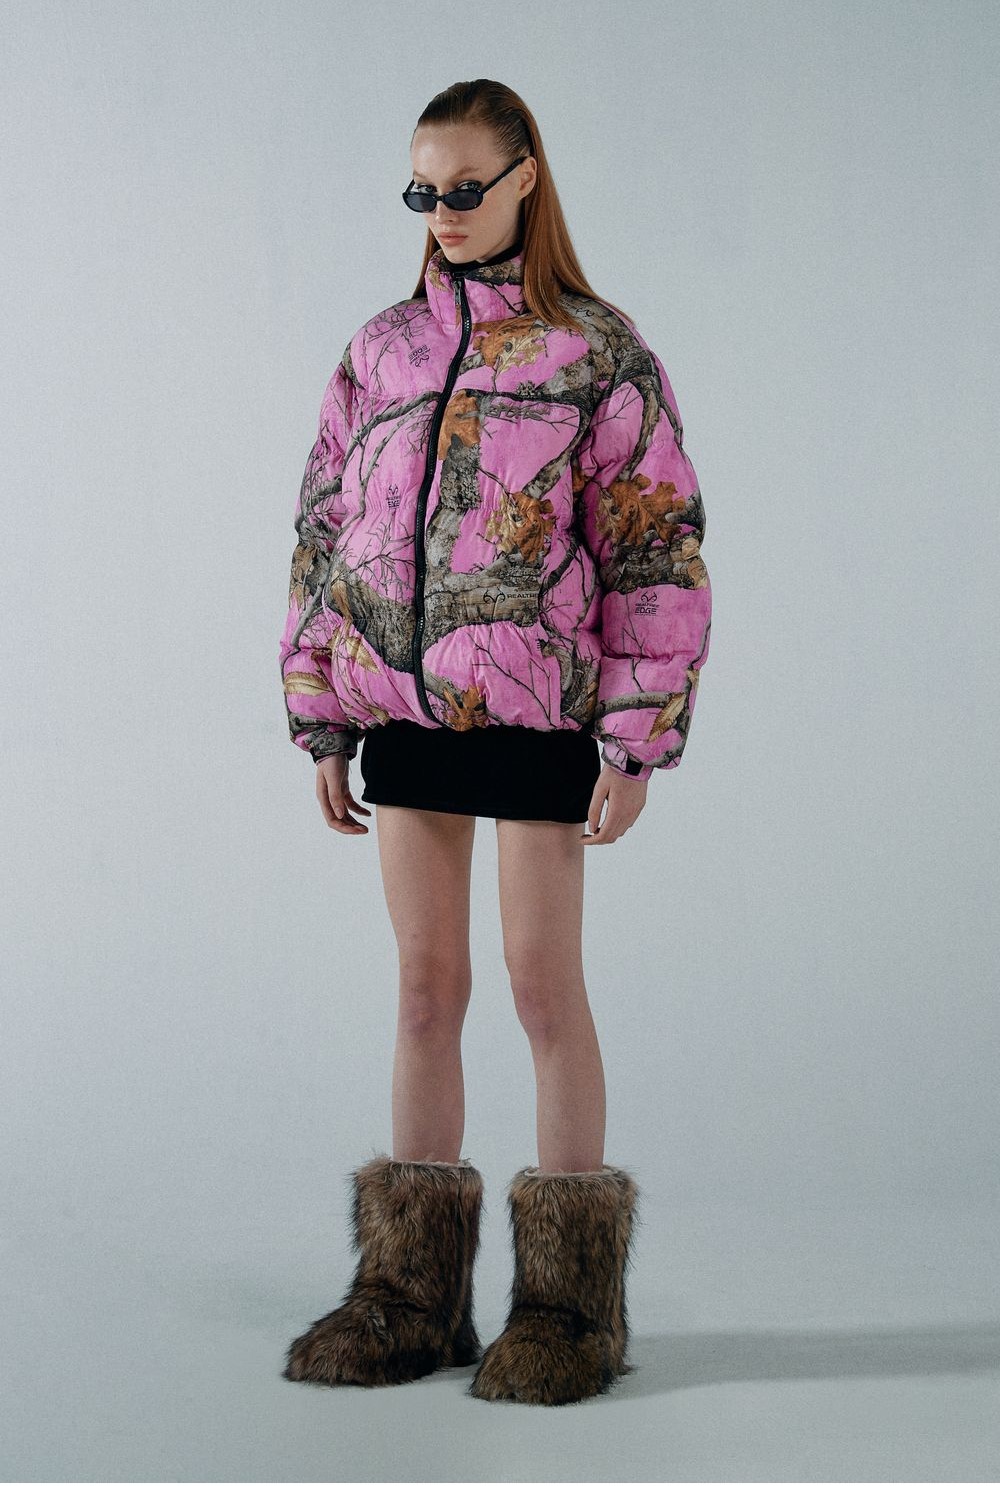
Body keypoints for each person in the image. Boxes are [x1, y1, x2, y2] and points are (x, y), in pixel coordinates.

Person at [278, 79, 712, 1407]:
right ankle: (408, 1295)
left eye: (466, 188)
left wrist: (634, 739)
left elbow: (654, 545)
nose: (444, 213)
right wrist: (321, 710)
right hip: (403, 715)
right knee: (425, 991)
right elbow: (324, 530)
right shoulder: (381, 351)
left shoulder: (596, 353)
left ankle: (569, 1307)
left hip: (534, 717)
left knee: (540, 990)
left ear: (526, 177)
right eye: (423, 191)